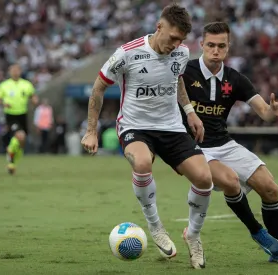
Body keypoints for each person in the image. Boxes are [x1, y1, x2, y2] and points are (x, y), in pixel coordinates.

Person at [80, 4, 212, 269]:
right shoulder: (127, 54)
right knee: (142, 163)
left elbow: (178, 80)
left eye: (181, 40)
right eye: (172, 38)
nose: (176, 45)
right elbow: (98, 88)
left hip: (172, 127)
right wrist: (91, 131)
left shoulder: (182, 53)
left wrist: (190, 112)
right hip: (135, 127)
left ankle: (193, 236)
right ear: (158, 27)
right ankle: (155, 226)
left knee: (205, 178)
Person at [181, 22, 278, 265]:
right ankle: (258, 232)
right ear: (201, 45)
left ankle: (276, 250)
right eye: (211, 45)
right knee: (230, 181)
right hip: (193, 147)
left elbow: (264, 113)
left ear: (228, 48)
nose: (216, 50)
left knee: (270, 188)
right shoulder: (184, 71)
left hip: (224, 143)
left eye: (221, 46)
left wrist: (272, 111)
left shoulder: (235, 78)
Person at [0, 64, 38, 174]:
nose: (15, 72)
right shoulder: (4, 85)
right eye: (13, 70)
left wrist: (34, 100)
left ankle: (12, 164)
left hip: (23, 115)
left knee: (22, 142)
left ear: (20, 71)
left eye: (17, 70)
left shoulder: (26, 84)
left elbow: (32, 95)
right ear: (9, 72)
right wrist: (4, 103)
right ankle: (10, 149)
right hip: (11, 115)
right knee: (20, 136)